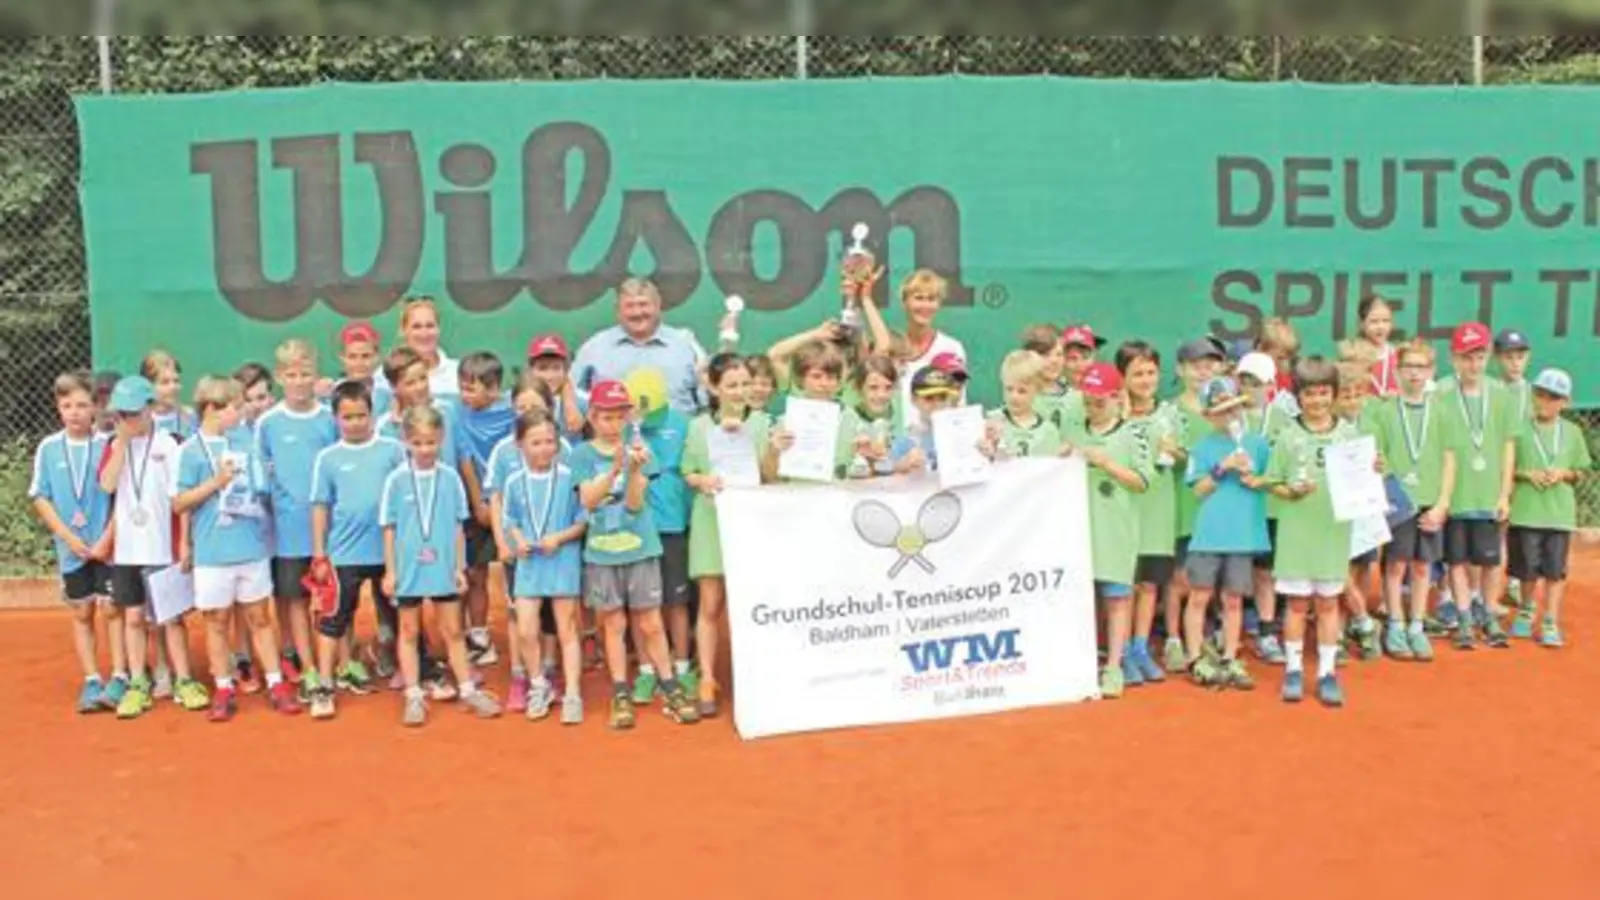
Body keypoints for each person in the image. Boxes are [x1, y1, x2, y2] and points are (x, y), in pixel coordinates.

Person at [569, 379, 700, 729]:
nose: (614, 426)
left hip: (641, 547)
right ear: (592, 417)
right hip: (601, 553)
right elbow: (588, 500)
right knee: (613, 623)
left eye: (619, 418)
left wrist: (635, 470)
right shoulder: (581, 455)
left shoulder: (641, 449)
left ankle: (670, 686)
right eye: (606, 418)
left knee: (651, 622)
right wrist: (615, 467)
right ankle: (621, 692)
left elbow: (634, 504)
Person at [173, 375, 301, 720]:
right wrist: (216, 483)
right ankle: (224, 688)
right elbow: (179, 502)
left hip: (251, 547)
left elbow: (261, 489)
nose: (240, 413)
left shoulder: (245, 445)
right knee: (216, 621)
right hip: (213, 553)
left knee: (260, 617)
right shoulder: (189, 452)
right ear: (213, 409)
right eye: (234, 407)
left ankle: (276, 683)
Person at [381, 405, 501, 726]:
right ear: (406, 441)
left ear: (441, 439)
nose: (425, 449)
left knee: (452, 630)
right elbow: (390, 528)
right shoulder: (396, 480)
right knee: (408, 631)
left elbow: (458, 527)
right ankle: (414, 695)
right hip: (408, 569)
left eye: (431, 442)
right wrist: (392, 571)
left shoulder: (450, 478)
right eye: (418, 442)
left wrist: (459, 567)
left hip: (444, 568)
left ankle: (466, 689)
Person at [97, 375, 210, 718]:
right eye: (122, 414)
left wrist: (184, 542)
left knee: (172, 618)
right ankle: (137, 684)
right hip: (128, 550)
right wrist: (120, 443)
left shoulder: (170, 444)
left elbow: (181, 499)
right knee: (133, 617)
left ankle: (185, 680)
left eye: (134, 412)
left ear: (149, 409)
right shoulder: (113, 445)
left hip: (164, 545)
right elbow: (107, 485)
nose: (129, 420)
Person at [681, 354, 783, 717]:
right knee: (710, 604)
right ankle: (707, 677)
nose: (740, 392)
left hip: (752, 522)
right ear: (713, 387)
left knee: (751, 607)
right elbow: (688, 471)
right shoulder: (697, 427)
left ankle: (755, 679)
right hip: (711, 519)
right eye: (732, 385)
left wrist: (774, 449)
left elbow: (770, 475)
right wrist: (702, 480)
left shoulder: (764, 423)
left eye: (745, 384)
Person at [307, 382, 408, 719]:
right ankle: (323, 685)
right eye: (347, 417)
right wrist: (320, 554)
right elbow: (321, 506)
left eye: (361, 415)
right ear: (335, 418)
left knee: (401, 616)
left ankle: (414, 673)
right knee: (333, 620)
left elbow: (404, 497)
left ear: (372, 414)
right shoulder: (328, 458)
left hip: (388, 553)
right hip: (344, 554)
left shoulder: (392, 450)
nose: (355, 423)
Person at [1268, 356, 1361, 708]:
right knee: (1295, 604)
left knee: (1327, 604)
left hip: (1332, 532)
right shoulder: (1288, 436)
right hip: (1296, 532)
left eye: (1324, 393)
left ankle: (1326, 672)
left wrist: (1373, 469)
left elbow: (1360, 484)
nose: (1318, 401)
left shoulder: (1349, 434)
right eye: (1310, 394)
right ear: (1299, 396)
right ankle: (1292, 669)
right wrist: (1289, 491)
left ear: (1334, 394)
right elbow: (1272, 482)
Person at [29, 371, 121, 713]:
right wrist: (68, 538)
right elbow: (40, 497)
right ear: (58, 407)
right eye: (67, 405)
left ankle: (120, 675)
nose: (75, 412)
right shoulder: (49, 448)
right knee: (82, 612)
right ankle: (92, 678)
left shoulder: (107, 445)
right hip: (72, 549)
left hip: (106, 547)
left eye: (82, 405)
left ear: (96, 407)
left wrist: (106, 539)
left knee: (113, 610)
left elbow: (120, 500)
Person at [1061, 362, 1152, 700]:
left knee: (1116, 598)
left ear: (1117, 398)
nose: (1093, 408)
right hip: (1078, 528)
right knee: (1080, 599)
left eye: (1100, 401)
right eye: (1088, 401)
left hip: (1116, 529)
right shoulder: (1073, 429)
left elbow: (1142, 481)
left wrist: (1107, 464)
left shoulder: (1133, 434)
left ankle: (1114, 664)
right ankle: (1082, 664)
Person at [255, 339, 338, 696]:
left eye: (306, 374)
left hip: (330, 530)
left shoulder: (328, 418)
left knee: (333, 599)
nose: (300, 381)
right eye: (291, 374)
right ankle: (307, 668)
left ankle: (333, 665)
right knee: (296, 601)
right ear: (279, 377)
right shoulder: (268, 422)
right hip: (288, 532)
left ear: (315, 375)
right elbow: (261, 476)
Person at [1182, 376, 1269, 690]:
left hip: (1242, 535)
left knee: (1233, 600)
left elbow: (1269, 482)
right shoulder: (1202, 448)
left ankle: (1231, 656)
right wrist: (1223, 467)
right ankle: (1195, 658)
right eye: (1220, 411)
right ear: (1207, 415)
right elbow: (1199, 491)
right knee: (1199, 596)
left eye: (1233, 409)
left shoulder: (1258, 444)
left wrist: (1252, 477)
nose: (1229, 417)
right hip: (1208, 535)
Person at [501, 409, 587, 723]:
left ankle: (574, 693)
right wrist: (518, 539)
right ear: (520, 444)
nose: (544, 449)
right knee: (525, 628)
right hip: (529, 563)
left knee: (566, 628)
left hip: (561, 560)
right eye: (535, 442)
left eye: (550, 441)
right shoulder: (513, 482)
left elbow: (582, 522)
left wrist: (559, 538)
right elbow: (508, 519)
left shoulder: (569, 478)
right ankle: (539, 684)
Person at [1364, 339, 1447, 662]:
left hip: (1429, 501)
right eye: (1409, 367)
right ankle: (1395, 624)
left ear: (1431, 371)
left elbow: (1449, 460)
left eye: (1421, 367)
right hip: (1398, 503)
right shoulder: (1385, 412)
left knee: (1424, 566)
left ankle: (1417, 625)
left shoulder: (1440, 412)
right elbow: (1377, 456)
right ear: (1397, 371)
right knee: (1396, 563)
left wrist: (1441, 504)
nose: (1415, 373)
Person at [1435, 322, 1515, 650]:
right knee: (1456, 559)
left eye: (1480, 356)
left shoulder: (1500, 393)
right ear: (1454, 358)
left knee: (1490, 559)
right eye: (1466, 357)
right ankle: (1464, 616)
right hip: (1455, 493)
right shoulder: (1440, 392)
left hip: (1488, 492)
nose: (1473, 364)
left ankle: (1488, 612)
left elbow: (1508, 445)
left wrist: (1504, 493)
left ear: (1489, 357)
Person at [625, 366, 697, 702]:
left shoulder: (683, 424)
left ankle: (682, 666)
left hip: (673, 525)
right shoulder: (625, 429)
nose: (644, 418)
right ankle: (646, 670)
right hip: (638, 526)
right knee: (640, 604)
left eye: (650, 412)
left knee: (676, 601)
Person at [1508, 368, 1588, 648]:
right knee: (1527, 568)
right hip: (1526, 512)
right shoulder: (1518, 428)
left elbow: (1581, 471)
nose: (1545, 401)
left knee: (1555, 571)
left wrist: (1563, 474)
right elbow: (1507, 468)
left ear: (1565, 402)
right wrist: (1527, 474)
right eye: (1540, 394)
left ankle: (1551, 618)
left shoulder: (1573, 432)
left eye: (1553, 397)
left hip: (1558, 515)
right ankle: (1527, 608)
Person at [1163, 337, 1226, 672]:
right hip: (1185, 507)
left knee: (1209, 579)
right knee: (1181, 579)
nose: (1204, 371)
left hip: (1217, 510)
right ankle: (1174, 640)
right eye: (1196, 365)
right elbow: (1169, 454)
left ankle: (1202, 638)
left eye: (1211, 364)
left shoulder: (1224, 413)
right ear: (1181, 369)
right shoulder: (1171, 412)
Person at [1115, 341, 1175, 685]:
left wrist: (1174, 451)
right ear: (1123, 377)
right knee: (1125, 585)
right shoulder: (1113, 414)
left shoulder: (1168, 415)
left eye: (1151, 372)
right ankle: (1119, 651)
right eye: (1137, 373)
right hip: (1124, 510)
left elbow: (1181, 458)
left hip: (1158, 511)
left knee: (1150, 584)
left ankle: (1140, 647)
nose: (1145, 379)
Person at [455, 351, 517, 668]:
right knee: (474, 573)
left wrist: (499, 503)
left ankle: (527, 635)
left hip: (512, 507)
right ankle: (478, 637)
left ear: (494, 389)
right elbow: (465, 460)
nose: (465, 394)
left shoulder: (513, 411)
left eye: (472, 388)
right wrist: (479, 501)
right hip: (475, 508)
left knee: (515, 570)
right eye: (462, 386)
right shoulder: (457, 412)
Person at [570, 277, 707, 415]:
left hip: (683, 435)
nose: (637, 313)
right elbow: (571, 398)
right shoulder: (594, 348)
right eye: (629, 306)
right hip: (615, 436)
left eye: (643, 304)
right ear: (617, 310)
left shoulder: (686, 345)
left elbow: (708, 400)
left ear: (658, 306)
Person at [1236, 350, 1287, 662]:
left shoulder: (1283, 419)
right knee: (1229, 571)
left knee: (1265, 573)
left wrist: (1265, 480)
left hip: (1269, 507)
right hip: (1233, 505)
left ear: (1270, 385)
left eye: (1256, 381)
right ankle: (1221, 629)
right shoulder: (1228, 414)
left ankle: (1267, 632)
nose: (1249, 387)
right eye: (1244, 380)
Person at [894, 269, 967, 432]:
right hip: (898, 443)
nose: (925, 305)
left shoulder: (952, 348)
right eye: (918, 298)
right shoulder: (892, 348)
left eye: (931, 299)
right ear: (904, 302)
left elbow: (958, 402)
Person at [989, 351, 1063, 459]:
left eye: (1022, 391)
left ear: (1037, 390)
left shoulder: (1048, 432)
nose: (1014, 396)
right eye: (1009, 389)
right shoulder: (991, 422)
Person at [526, 333, 587, 442]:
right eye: (542, 368)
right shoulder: (516, 399)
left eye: (556, 368)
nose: (549, 376)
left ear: (566, 370)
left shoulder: (583, 402)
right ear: (531, 370)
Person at [397, 297, 458, 397]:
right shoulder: (385, 376)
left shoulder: (459, 373)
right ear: (403, 331)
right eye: (416, 327)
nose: (424, 334)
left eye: (430, 326)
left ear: (439, 329)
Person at [142, 350, 197, 440]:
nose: (173, 387)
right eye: (165, 382)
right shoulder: (139, 422)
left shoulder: (191, 418)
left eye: (176, 381)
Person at [1355, 295, 1399, 397]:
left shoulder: (1399, 356)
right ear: (1361, 323)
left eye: (1386, 321)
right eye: (1374, 321)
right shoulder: (1352, 357)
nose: (1381, 327)